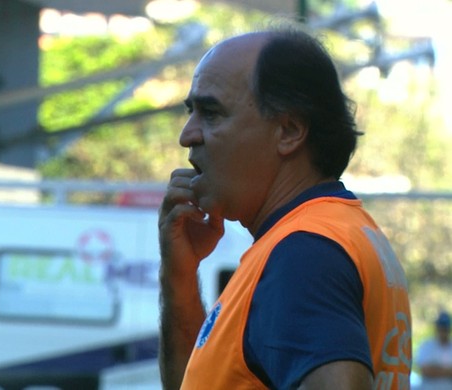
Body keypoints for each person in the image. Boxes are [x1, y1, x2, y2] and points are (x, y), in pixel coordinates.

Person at [158, 26, 412, 389]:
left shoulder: (304, 253)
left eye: (211, 113)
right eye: (191, 112)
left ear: (290, 131)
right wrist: (178, 275)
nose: (187, 134)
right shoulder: (330, 234)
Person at [416, 311, 452, 389]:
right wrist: (448, 371)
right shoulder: (426, 345)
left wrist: (436, 368)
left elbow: (430, 370)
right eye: (440, 327)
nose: (442, 331)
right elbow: (425, 370)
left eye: (445, 328)